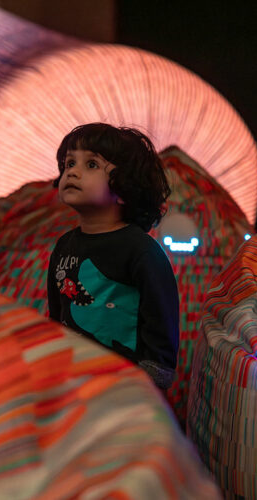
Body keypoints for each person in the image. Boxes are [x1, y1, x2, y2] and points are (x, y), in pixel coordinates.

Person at [46, 123, 180, 389]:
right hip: (73, 384)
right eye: (69, 162)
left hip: (125, 391)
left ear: (124, 189)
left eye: (92, 164)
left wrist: (148, 387)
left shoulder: (141, 250)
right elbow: (56, 315)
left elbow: (161, 327)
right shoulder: (64, 246)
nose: (72, 171)